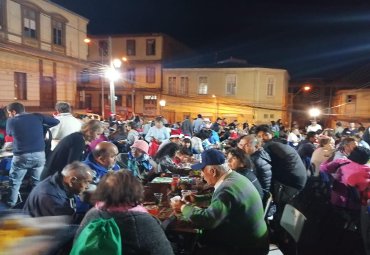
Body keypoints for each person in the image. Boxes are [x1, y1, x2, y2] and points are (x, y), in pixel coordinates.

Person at [171, 149, 269, 255]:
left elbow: (209, 220)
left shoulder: (226, 188)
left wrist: (183, 207)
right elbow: (226, 199)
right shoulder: (234, 177)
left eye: (202, 171)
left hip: (246, 247)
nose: (202, 175)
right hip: (255, 238)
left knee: (196, 239)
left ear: (213, 171)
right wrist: (198, 198)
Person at [74, 170, 174, 254]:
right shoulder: (141, 221)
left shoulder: (92, 213)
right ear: (136, 191)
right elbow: (164, 251)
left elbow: (77, 244)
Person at [5, 102, 60, 207]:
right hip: (39, 155)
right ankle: (36, 204)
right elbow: (56, 121)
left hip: (21, 156)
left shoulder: (11, 121)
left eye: (9, 113)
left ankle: (11, 205)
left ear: (13, 111)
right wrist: (42, 126)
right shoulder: (37, 116)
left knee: (15, 182)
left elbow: (9, 133)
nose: (9, 115)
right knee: (37, 182)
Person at [23, 161, 94, 223]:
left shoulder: (61, 182)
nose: (87, 186)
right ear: (72, 180)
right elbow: (71, 222)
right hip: (36, 232)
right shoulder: (50, 196)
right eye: (86, 182)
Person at [238, 134, 272, 201]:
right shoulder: (256, 155)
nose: (241, 148)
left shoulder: (255, 161)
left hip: (259, 196)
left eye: (247, 145)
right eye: (241, 145)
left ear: (256, 147)